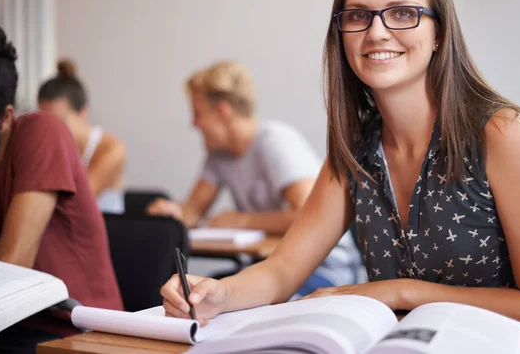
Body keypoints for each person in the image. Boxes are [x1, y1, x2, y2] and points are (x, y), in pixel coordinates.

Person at [160, 0, 520, 337]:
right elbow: (282, 271)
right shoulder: (356, 149)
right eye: (358, 16)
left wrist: (398, 292)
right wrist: (218, 293)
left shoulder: (501, 133)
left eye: (403, 12)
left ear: (440, 33)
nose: (376, 32)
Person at [147, 60, 362, 296]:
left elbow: (308, 214)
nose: (194, 124)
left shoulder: (275, 142)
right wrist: (173, 212)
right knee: (200, 295)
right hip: (270, 267)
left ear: (223, 111)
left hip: (324, 269)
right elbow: (194, 211)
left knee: (226, 302)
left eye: (197, 113)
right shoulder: (218, 154)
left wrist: (241, 220)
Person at [0, 21, 123, 352]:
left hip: (74, 333)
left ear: (4, 118)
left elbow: (9, 262)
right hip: (0, 329)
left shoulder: (43, 132)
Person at [38, 59, 126, 214]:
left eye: (61, 121)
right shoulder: (47, 145)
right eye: (44, 122)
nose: (50, 130)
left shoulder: (113, 149)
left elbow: (77, 202)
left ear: (83, 112)